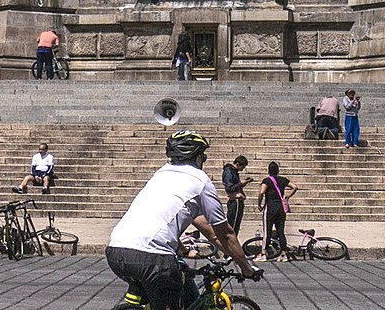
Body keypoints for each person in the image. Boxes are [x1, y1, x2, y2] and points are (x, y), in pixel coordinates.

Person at [105, 129, 260, 309]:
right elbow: (224, 235)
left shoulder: (161, 174)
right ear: (197, 157)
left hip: (116, 252)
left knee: (177, 281)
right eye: (203, 156)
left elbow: (192, 225)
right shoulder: (200, 181)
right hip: (153, 258)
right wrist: (247, 268)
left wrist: (184, 250)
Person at [259, 161, 296, 260]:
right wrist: (288, 196)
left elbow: (262, 192)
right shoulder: (283, 180)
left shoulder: (266, 181)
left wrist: (259, 204)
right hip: (281, 208)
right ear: (278, 170)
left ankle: (263, 253)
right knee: (281, 231)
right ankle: (283, 254)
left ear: (269, 171)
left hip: (270, 207)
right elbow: (295, 187)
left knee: (267, 231)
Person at [221, 155, 249, 234]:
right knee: (233, 224)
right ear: (237, 164)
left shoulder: (234, 172)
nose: (242, 169)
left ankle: (232, 242)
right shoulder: (229, 171)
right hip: (235, 201)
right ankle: (230, 244)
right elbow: (230, 188)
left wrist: (244, 183)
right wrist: (241, 184)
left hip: (237, 200)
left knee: (235, 225)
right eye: (242, 167)